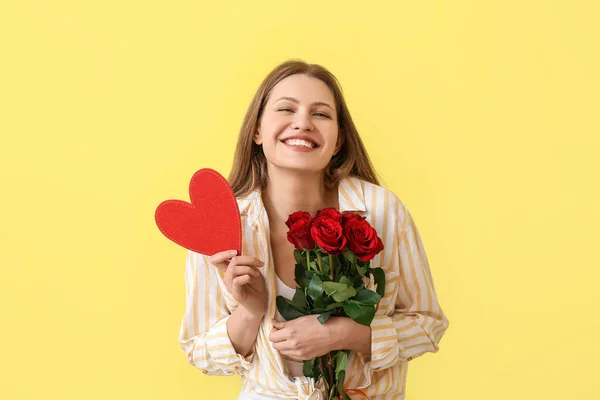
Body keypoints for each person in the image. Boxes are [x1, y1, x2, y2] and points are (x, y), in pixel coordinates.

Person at [178, 60, 449, 399]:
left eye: (320, 114)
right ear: (258, 130)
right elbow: (200, 353)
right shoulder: (222, 225)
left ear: (338, 141)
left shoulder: (382, 211)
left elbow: (427, 325)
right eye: (286, 109)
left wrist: (343, 333)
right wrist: (251, 310)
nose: (302, 123)